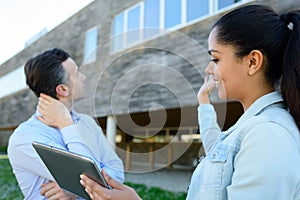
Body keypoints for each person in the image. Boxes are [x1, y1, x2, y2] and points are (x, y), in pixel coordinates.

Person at [79, 4, 300, 200]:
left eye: (215, 58)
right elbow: (217, 150)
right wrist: (203, 101)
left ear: (252, 62)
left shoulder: (267, 134)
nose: (208, 68)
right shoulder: (252, 127)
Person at [7, 48, 124, 199]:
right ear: (62, 89)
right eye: (76, 73)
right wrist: (66, 125)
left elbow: (117, 169)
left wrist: (74, 187)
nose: (84, 77)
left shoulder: (87, 122)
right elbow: (90, 179)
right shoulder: (24, 138)